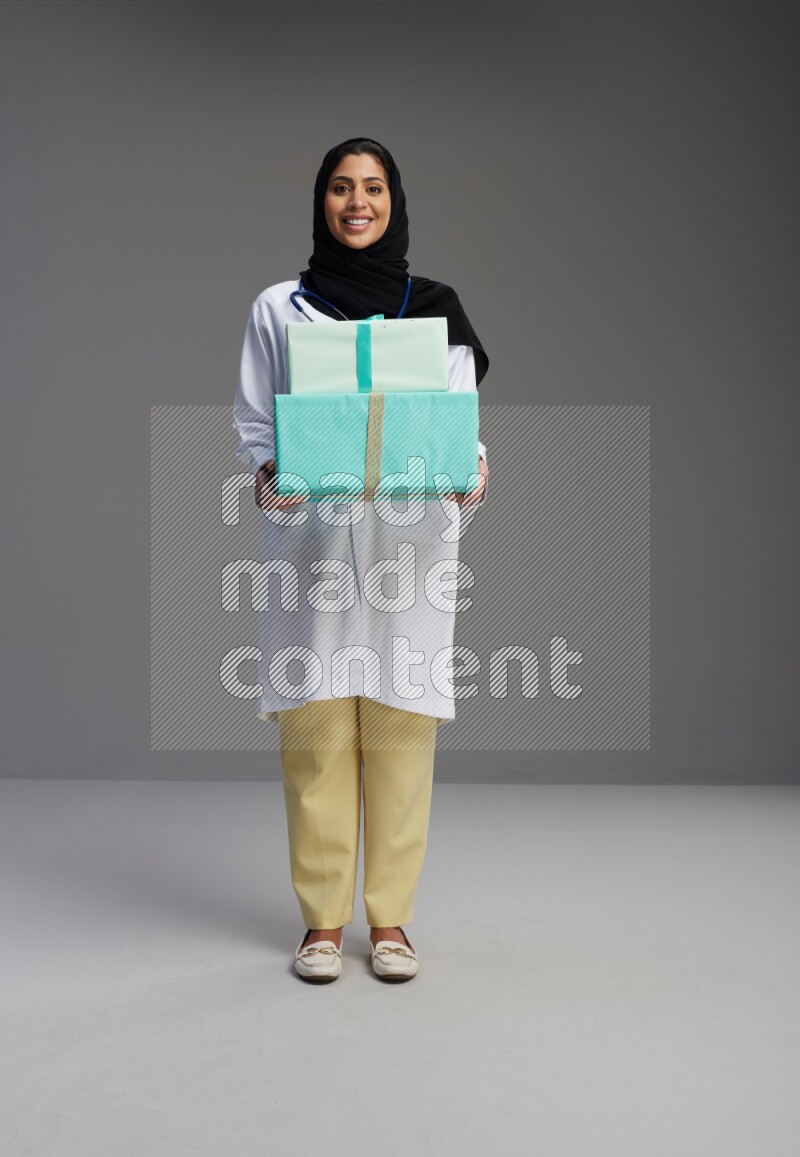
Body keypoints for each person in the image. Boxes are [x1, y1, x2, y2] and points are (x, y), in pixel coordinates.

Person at [232, 137, 489, 983]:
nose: (357, 202)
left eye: (372, 188)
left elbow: (462, 428)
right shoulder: (280, 307)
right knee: (315, 735)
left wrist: (469, 475)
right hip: (313, 548)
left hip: (407, 550)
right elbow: (254, 426)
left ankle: (391, 920)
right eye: (341, 187)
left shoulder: (437, 309)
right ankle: (320, 921)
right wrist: (271, 477)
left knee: (400, 731)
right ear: (321, 201)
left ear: (394, 200)